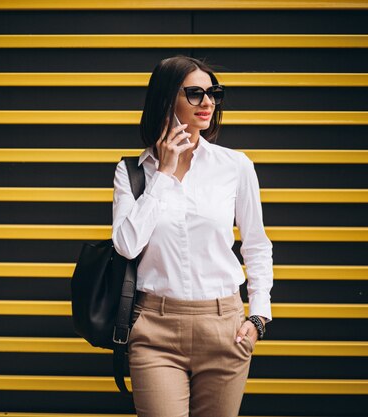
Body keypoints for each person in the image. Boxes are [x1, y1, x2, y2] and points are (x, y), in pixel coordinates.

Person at [111, 55, 273, 417]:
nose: (208, 103)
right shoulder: (133, 172)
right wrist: (164, 173)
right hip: (155, 328)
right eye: (195, 93)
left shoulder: (235, 166)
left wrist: (259, 317)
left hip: (224, 326)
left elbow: (257, 245)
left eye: (213, 93)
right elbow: (126, 245)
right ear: (167, 99)